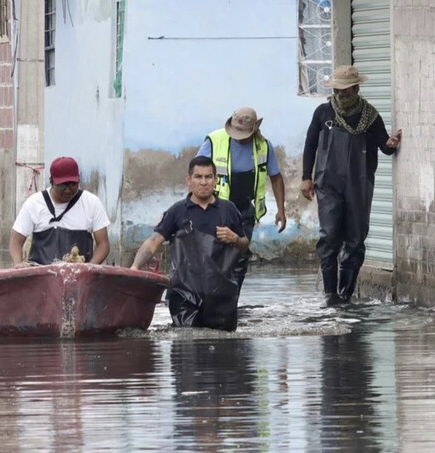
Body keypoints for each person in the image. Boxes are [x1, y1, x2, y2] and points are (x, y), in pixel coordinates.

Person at [301, 65, 402, 306]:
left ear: (356, 89)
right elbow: (310, 144)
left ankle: (345, 296)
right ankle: (330, 295)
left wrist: (391, 143)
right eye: (337, 90)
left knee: (355, 240)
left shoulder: (370, 116)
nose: (341, 95)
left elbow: (384, 147)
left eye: (345, 91)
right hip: (328, 184)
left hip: (359, 184)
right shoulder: (323, 113)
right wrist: (306, 176)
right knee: (329, 236)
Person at [130, 156, 249, 331]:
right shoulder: (177, 212)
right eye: (198, 177)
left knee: (224, 351)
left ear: (216, 180)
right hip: (184, 297)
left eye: (208, 177)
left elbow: (244, 245)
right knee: (186, 347)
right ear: (189, 180)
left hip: (221, 298)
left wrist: (236, 239)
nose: (203, 182)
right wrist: (134, 267)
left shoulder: (229, 210)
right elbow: (154, 242)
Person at [196, 107, 286, 290]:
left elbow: (276, 177)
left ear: (253, 130)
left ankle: (231, 298)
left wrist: (281, 211)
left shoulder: (263, 146)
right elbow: (197, 172)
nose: (240, 137)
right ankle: (210, 295)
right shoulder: (214, 140)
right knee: (212, 254)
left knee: (239, 256)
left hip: (244, 210)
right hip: (215, 208)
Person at [9, 156, 110, 267]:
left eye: (73, 184)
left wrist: (90, 267)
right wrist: (18, 263)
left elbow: (103, 244)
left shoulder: (92, 202)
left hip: (79, 274)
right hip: (40, 274)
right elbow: (16, 240)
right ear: (51, 181)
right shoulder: (34, 203)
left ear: (79, 180)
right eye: (62, 185)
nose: (68, 190)